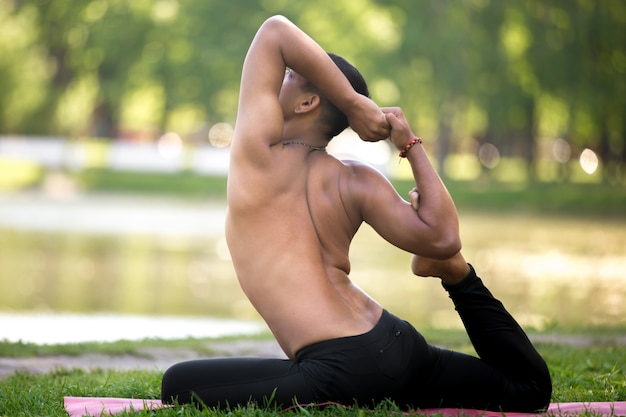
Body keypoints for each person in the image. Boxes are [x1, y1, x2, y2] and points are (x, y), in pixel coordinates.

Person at [161, 15, 552, 412]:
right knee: (529, 389)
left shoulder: (256, 159)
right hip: (398, 344)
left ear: (308, 102)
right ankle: (455, 274)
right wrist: (411, 144)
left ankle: (336, 391)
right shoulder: (355, 179)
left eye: (290, 74)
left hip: (338, 369)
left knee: (177, 385)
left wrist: (352, 103)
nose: (275, 77)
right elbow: (443, 238)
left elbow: (275, 31)